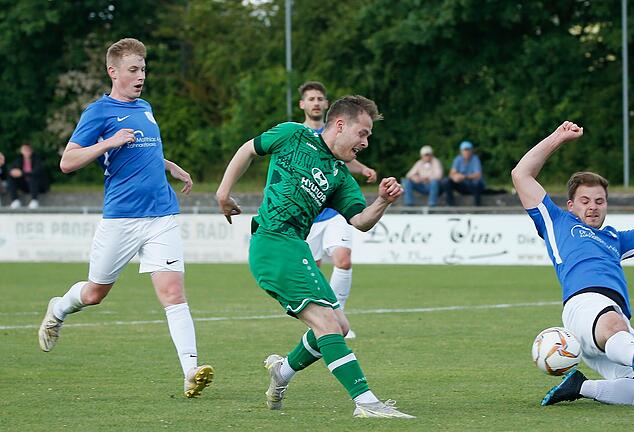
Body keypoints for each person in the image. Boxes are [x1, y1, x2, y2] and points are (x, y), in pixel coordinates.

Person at [216, 95, 414, 419]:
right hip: (272, 242)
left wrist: (382, 201)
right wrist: (223, 193)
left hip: (295, 246)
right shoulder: (292, 135)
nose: (365, 142)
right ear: (340, 125)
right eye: (362, 133)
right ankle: (365, 401)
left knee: (339, 323)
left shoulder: (339, 176)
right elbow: (248, 150)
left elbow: (361, 221)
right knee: (326, 324)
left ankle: (282, 372)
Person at [36, 38, 214, 398]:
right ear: (113, 71)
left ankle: (191, 370)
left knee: (174, 293)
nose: (141, 76)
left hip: (161, 214)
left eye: (144, 69)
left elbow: (141, 151)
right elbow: (67, 162)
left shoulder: (145, 107)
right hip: (121, 219)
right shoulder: (98, 113)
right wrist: (107, 143)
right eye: (133, 70)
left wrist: (170, 166)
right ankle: (57, 309)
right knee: (95, 293)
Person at [511, 121, 634, 407]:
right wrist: (558, 138)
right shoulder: (557, 222)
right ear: (571, 205)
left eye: (600, 201)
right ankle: (633, 350)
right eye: (585, 201)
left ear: (606, 205)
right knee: (614, 326)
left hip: (615, 327)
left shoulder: (616, 239)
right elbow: (521, 174)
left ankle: (582, 386)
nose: (593, 206)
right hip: (586, 306)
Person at [300, 81, 377, 339]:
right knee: (313, 268)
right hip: (310, 215)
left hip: (334, 211)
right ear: (302, 104)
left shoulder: (338, 133)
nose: (316, 103)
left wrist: (363, 169)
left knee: (343, 258)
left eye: (320, 98)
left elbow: (346, 159)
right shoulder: (296, 135)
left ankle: (338, 315)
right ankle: (321, 320)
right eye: (311, 99)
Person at [442, 140, 484, 206]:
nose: (466, 152)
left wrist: (464, 177)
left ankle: (477, 206)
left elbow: (478, 175)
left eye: (468, 150)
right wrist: (455, 177)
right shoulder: (458, 159)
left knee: (477, 183)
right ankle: (450, 204)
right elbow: (451, 174)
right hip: (462, 185)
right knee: (446, 181)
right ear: (461, 151)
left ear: (471, 151)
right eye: (464, 150)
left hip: (473, 186)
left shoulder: (475, 159)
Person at [7, 143, 48, 209]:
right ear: (21, 151)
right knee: (11, 177)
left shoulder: (37, 159)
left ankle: (34, 200)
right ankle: (15, 201)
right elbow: (11, 169)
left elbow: (37, 172)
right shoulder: (19, 160)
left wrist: (22, 173)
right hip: (25, 185)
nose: (26, 152)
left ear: (31, 151)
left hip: (38, 186)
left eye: (27, 150)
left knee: (32, 177)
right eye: (24, 150)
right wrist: (12, 172)